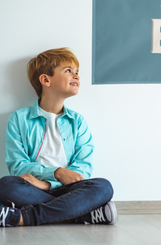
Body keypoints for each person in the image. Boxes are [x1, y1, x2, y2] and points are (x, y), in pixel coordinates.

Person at [0, 48, 117, 227]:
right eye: (69, 71)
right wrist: (56, 173)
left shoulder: (78, 121)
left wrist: (48, 184)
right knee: (7, 185)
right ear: (45, 80)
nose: (76, 76)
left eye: (77, 72)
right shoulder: (19, 119)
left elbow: (83, 169)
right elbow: (18, 167)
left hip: (70, 190)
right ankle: (81, 215)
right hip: (32, 189)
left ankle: (23, 217)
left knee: (103, 187)